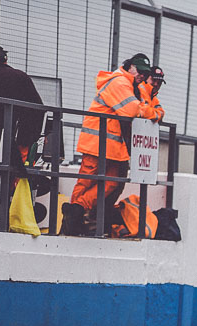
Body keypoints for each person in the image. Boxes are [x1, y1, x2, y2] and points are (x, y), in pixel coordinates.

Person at [62, 53, 151, 236]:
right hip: (96, 143)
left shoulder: (130, 85)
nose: (141, 75)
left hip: (111, 146)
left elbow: (146, 106)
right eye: (139, 71)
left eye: (144, 73)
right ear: (130, 67)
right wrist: (146, 110)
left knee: (110, 182)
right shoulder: (119, 82)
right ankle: (72, 221)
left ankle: (76, 210)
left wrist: (146, 109)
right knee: (86, 182)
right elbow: (131, 110)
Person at [0, 43, 44, 168]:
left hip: (2, 141)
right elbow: (37, 109)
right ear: (4, 59)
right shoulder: (18, 77)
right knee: (14, 176)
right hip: (7, 142)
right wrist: (26, 141)